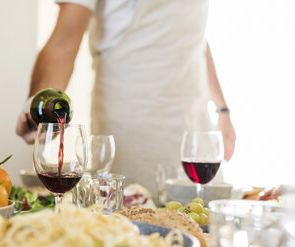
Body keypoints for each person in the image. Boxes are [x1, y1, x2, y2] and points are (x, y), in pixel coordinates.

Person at [16, 0, 236, 195]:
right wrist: (39, 109)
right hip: (131, 127)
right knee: (136, 222)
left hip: (195, 127)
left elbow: (194, 38)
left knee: (204, 227)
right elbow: (63, 42)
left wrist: (222, 109)